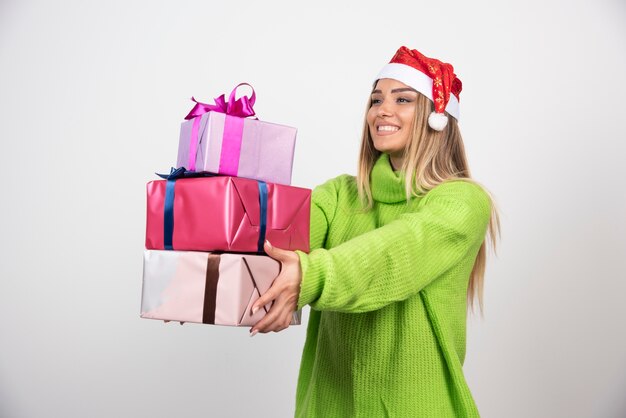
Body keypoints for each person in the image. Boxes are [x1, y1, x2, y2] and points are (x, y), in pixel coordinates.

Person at [250, 46, 500, 418]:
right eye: (376, 99)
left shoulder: (463, 202)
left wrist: (309, 274)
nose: (382, 110)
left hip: (417, 408)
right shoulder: (339, 195)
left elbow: (393, 255)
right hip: (329, 407)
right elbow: (270, 246)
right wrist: (199, 272)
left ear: (437, 117)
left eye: (403, 99)